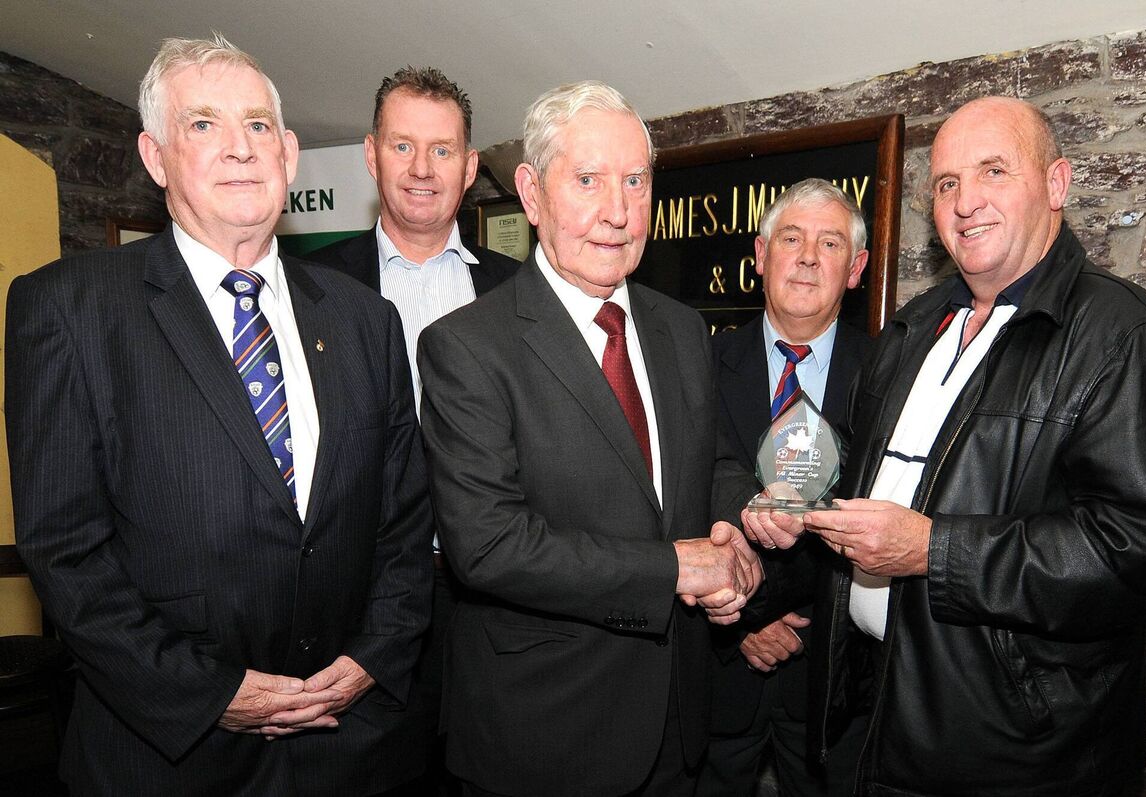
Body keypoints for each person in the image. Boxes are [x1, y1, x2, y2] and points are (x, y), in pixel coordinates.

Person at [5, 35, 433, 796]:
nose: (240, 149)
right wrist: (209, 694)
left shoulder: (366, 320)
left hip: (354, 750)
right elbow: (67, 554)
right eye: (203, 125)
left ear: (290, 153)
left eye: (258, 126)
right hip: (170, 756)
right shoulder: (69, 309)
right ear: (154, 156)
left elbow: (403, 524)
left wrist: (373, 657)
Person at [743, 95, 1146, 794]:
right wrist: (783, 530)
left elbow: (1140, 557)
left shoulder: (1122, 337)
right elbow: (867, 504)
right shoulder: (912, 328)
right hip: (871, 721)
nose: (965, 202)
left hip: (1011, 756)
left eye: (993, 171)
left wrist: (934, 549)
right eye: (949, 183)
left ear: (1056, 185)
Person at [416, 81, 762, 797]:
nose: (618, 209)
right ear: (532, 194)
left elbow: (715, 465)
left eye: (636, 181)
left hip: (676, 724)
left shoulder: (682, 330)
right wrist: (674, 568)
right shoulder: (467, 347)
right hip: (544, 736)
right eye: (588, 180)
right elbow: (488, 546)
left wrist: (736, 538)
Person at [306, 65, 518, 792]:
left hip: (496, 604)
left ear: (469, 167)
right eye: (403, 146)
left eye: (442, 150)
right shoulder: (309, 290)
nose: (422, 169)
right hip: (360, 607)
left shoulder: (520, 291)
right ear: (371, 156)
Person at [698, 179, 872, 797]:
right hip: (718, 676)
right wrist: (740, 626)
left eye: (828, 243)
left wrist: (797, 626)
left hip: (834, 686)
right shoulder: (698, 365)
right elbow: (677, 505)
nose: (805, 257)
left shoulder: (888, 375)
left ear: (854, 270)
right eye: (791, 238)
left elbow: (890, 516)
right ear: (760, 255)